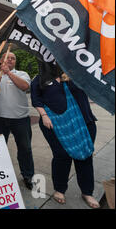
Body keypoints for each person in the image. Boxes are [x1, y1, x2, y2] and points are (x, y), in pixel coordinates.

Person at [31, 74, 100, 208]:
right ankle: (60, 189)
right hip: (54, 124)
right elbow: (35, 98)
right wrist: (43, 115)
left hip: (84, 122)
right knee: (62, 156)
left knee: (85, 156)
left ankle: (87, 192)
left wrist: (75, 77)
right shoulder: (41, 77)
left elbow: (93, 87)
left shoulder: (75, 70)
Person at [0, 52, 35, 190]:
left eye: (13, 58)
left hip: (20, 118)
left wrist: (9, 73)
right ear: (1, 60)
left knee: (25, 148)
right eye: (7, 58)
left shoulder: (22, 74)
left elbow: (24, 86)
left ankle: (27, 175)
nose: (10, 60)